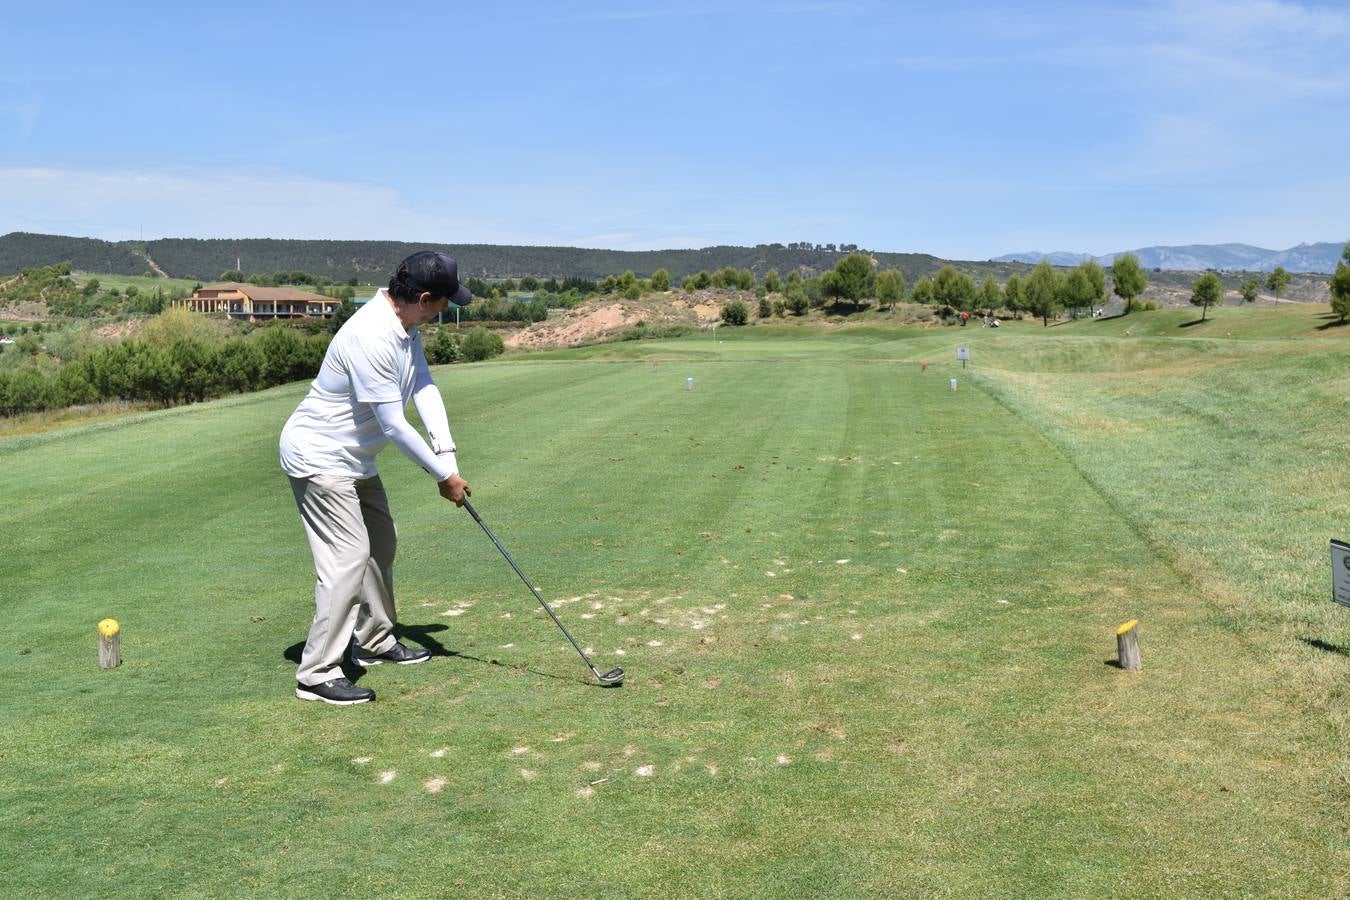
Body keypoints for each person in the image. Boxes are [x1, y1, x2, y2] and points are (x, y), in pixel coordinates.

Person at [280, 251, 474, 705]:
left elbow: (423, 384)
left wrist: (447, 452)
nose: (446, 310)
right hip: (319, 455)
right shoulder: (372, 335)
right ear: (423, 298)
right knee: (347, 558)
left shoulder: (407, 327)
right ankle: (317, 672)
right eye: (444, 302)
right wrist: (443, 476)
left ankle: (374, 641)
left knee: (381, 544)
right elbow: (393, 425)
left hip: (355, 459)